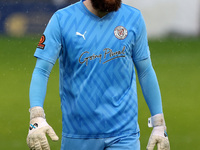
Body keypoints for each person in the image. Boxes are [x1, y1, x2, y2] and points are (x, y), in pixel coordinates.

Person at [26, 0, 170, 150]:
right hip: (77, 135)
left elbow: (145, 71)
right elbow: (42, 70)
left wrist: (159, 123)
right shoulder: (62, 19)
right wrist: (36, 116)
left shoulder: (133, 18)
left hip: (124, 135)